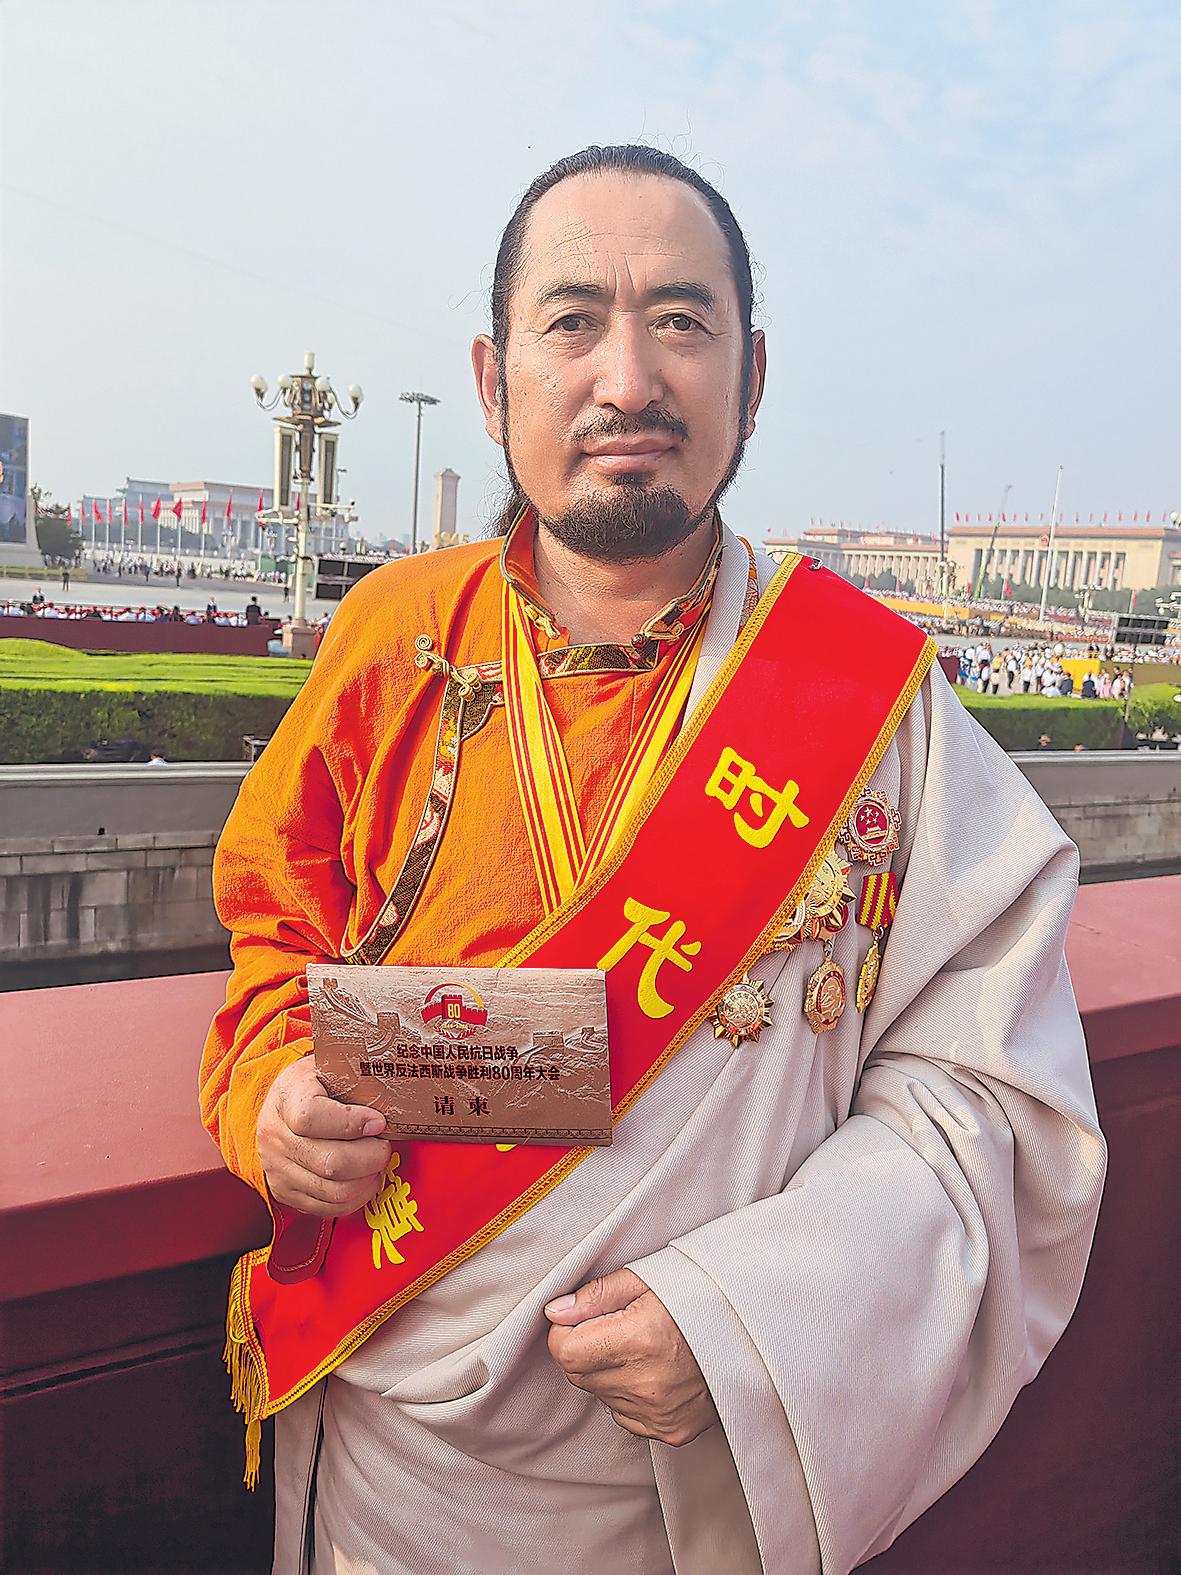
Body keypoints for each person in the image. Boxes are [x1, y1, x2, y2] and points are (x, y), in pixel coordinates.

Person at [200, 145, 1104, 1575]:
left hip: (704, 1476)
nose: (628, 379)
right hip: (400, 1471)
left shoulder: (872, 700)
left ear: (753, 373)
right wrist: (270, 1100)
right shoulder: (388, 641)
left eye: (681, 321)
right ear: (493, 380)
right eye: (573, 323)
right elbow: (273, 940)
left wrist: (757, 1319)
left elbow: (993, 1099)